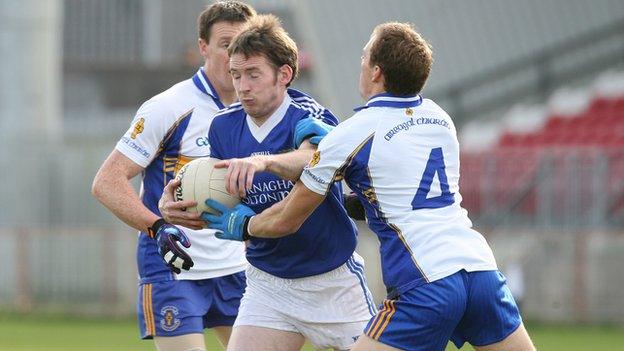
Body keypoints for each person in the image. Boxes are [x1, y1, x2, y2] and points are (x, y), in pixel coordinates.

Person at [206, 22, 537, 351]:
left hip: (425, 281)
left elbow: (286, 219)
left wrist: (246, 225)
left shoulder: (353, 133)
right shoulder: (439, 119)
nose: (360, 64)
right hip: (480, 270)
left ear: (377, 72)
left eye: (364, 57)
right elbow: (395, 197)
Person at [187, 14, 376, 351]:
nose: (242, 86)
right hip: (268, 285)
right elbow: (228, 196)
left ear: (284, 74)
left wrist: (263, 161)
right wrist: (182, 201)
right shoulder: (223, 128)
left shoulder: (310, 116)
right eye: (235, 75)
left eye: (253, 74)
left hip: (332, 282)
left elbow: (313, 160)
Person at [91, 2, 256, 350]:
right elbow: (107, 182)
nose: (235, 55)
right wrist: (157, 227)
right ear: (202, 47)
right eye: (226, 44)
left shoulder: (256, 110)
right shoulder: (168, 107)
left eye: (243, 44)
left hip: (237, 268)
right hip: (174, 266)